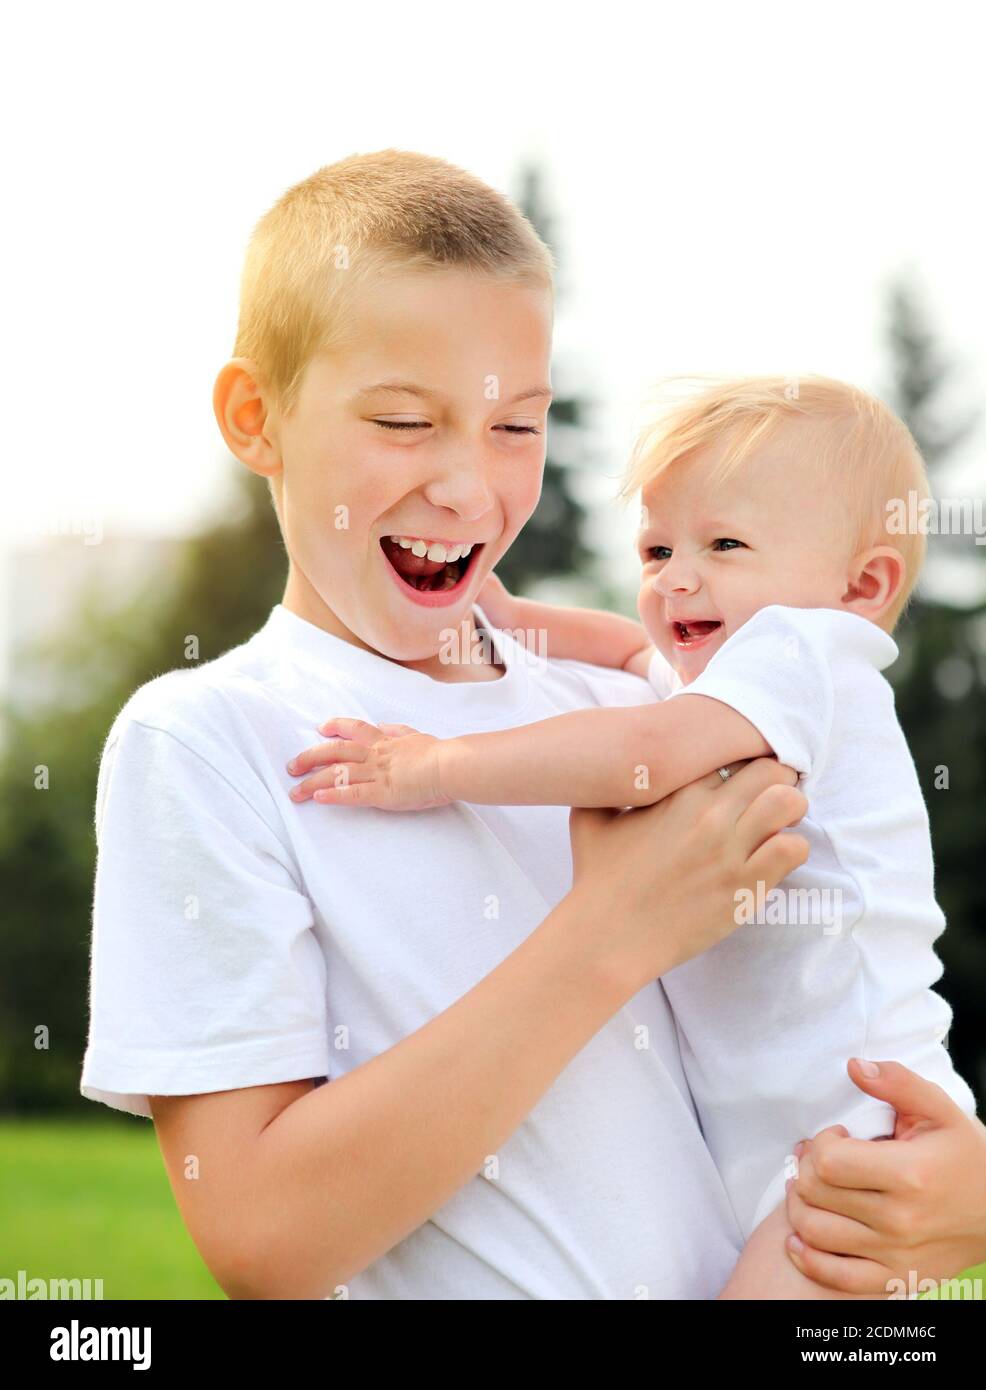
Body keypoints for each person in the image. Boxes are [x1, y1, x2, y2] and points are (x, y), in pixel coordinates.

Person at [80, 151, 986, 1299]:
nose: (468, 487)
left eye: (515, 427)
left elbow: (846, 980)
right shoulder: (209, 741)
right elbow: (262, 1240)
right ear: (256, 418)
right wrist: (608, 933)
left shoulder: (641, 711)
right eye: (407, 421)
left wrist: (957, 1201)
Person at [291, 374, 979, 1250]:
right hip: (791, 1132)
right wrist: (494, 607)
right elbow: (625, 646)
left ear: (861, 586)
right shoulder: (730, 685)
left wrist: (435, 764)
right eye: (657, 553)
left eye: (725, 544)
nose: (676, 580)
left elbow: (633, 759)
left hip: (856, 1132)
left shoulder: (807, 653)